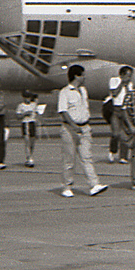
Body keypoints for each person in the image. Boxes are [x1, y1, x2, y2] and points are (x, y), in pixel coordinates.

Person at [56, 65, 107, 198]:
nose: (84, 78)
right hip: (69, 129)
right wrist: (74, 126)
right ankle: (67, 186)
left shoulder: (83, 91)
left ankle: (94, 184)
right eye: (82, 75)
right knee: (69, 159)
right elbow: (63, 111)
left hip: (84, 127)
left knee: (87, 157)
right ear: (76, 76)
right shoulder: (65, 92)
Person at [106, 66, 134, 164]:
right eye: (128, 76)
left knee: (125, 135)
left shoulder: (130, 84)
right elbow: (114, 94)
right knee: (116, 133)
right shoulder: (114, 80)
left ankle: (123, 156)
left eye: (130, 76)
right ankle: (112, 151)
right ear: (122, 75)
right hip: (116, 109)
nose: (129, 78)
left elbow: (130, 97)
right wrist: (122, 84)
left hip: (126, 109)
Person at [16, 90, 43, 168]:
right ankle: (29, 158)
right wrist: (24, 114)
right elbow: (18, 116)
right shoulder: (21, 106)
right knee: (27, 141)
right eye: (26, 97)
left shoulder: (33, 105)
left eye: (29, 97)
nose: (27, 99)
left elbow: (37, 110)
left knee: (32, 142)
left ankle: (30, 155)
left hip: (32, 123)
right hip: (26, 123)